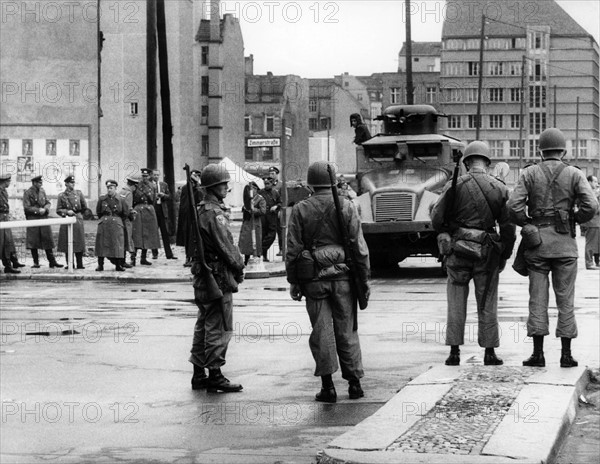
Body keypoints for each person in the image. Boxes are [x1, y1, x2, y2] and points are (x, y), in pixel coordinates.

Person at [507, 128, 598, 368]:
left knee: (537, 299)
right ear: (563, 150)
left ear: (541, 150)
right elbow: (591, 205)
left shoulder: (529, 174)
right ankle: (566, 355)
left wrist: (527, 223)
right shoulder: (574, 174)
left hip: (537, 245)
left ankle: (538, 354)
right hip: (566, 245)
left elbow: (513, 207)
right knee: (565, 299)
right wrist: (574, 219)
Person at [286, 161, 370, 403]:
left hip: (314, 279)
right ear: (334, 183)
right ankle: (355, 384)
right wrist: (363, 281)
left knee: (321, 331)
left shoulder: (301, 209)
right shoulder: (347, 206)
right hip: (344, 278)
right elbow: (359, 248)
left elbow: (293, 249)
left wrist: (294, 281)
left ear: (311, 185)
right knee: (347, 330)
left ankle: (328, 387)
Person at [431, 141, 516, 367]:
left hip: (457, 250)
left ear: (466, 162)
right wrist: (505, 254)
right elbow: (508, 227)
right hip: (487, 253)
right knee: (487, 301)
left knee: (455, 300)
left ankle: (454, 352)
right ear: (487, 163)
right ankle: (489, 352)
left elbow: (437, 219)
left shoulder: (453, 185)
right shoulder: (498, 187)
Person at [189, 163, 245, 393]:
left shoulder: (202, 210)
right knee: (219, 324)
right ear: (213, 187)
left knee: (204, 323)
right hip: (218, 275)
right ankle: (215, 373)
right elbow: (227, 247)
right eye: (223, 184)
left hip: (204, 273)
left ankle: (198, 373)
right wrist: (239, 265)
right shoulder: (214, 214)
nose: (226, 188)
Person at [23, 175, 63, 268]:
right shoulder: (28, 193)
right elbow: (27, 207)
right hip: (33, 219)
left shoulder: (42, 191)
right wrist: (37, 210)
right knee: (33, 242)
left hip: (44, 218)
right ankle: (36, 262)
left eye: (41, 182)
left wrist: (45, 208)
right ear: (34, 183)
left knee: (47, 240)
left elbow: (48, 203)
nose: (41, 184)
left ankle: (52, 261)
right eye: (39, 182)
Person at [95, 180, 129, 272]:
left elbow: (125, 213)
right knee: (101, 244)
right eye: (108, 188)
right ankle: (100, 265)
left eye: (111, 188)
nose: (109, 190)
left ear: (115, 188)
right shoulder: (102, 199)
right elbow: (98, 212)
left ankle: (118, 265)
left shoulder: (121, 199)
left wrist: (118, 220)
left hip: (116, 223)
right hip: (104, 224)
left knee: (117, 245)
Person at [56, 176, 87, 269]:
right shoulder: (61, 196)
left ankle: (80, 264)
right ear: (66, 184)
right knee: (67, 243)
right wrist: (66, 212)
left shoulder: (79, 193)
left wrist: (79, 215)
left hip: (77, 219)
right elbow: (58, 210)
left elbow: (84, 206)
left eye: (73, 182)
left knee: (78, 242)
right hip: (67, 219)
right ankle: (70, 264)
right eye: (70, 182)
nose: (72, 184)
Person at [131, 168, 160, 266]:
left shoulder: (153, 186)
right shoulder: (136, 185)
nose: (144, 178)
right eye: (143, 176)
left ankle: (143, 258)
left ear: (149, 176)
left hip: (149, 210)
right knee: (137, 234)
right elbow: (133, 198)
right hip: (138, 209)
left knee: (148, 234)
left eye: (146, 176)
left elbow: (154, 200)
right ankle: (133, 258)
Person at [176, 169, 203, 267]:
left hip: (196, 217)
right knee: (188, 237)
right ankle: (188, 257)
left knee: (195, 238)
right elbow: (183, 203)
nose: (192, 183)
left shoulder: (199, 189)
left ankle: (194, 257)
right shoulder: (185, 188)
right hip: (187, 217)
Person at [0, 173, 25, 273]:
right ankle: (7, 265)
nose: (9, 183)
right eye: (8, 181)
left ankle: (13, 261)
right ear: (4, 182)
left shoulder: (4, 191)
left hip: (5, 218)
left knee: (9, 241)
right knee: (3, 242)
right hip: (1, 218)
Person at [238, 182, 266, 265]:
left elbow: (263, 211)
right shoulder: (248, 199)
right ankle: (246, 259)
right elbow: (245, 207)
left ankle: (257, 259)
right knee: (246, 241)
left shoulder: (260, 199)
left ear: (256, 189)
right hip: (247, 221)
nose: (251, 191)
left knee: (256, 241)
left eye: (253, 189)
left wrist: (254, 210)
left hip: (255, 223)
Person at [151, 169, 177, 260]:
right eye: (154, 175)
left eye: (157, 175)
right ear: (151, 175)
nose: (156, 176)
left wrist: (163, 195)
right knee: (154, 232)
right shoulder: (150, 185)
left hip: (162, 210)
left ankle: (169, 254)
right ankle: (155, 253)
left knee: (165, 233)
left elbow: (169, 196)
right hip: (154, 210)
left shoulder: (164, 185)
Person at [258, 175, 281, 261]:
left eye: (268, 183)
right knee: (263, 235)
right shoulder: (260, 192)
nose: (266, 185)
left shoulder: (275, 192)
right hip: (263, 217)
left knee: (272, 236)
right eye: (265, 184)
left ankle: (261, 248)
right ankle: (264, 256)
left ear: (272, 184)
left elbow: (280, 202)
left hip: (272, 217)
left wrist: (276, 206)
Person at [120, 175, 139, 268]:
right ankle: (126, 261)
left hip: (120, 218)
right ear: (133, 186)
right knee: (128, 239)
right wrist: (132, 214)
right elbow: (128, 208)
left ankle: (121, 260)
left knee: (122, 240)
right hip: (126, 220)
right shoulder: (129, 193)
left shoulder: (122, 191)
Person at [581, 175, 600, 270]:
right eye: (595, 182)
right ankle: (589, 262)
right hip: (592, 221)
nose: (596, 184)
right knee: (590, 243)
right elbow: (592, 206)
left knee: (597, 243)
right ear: (589, 182)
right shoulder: (588, 193)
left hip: (597, 221)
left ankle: (597, 261)